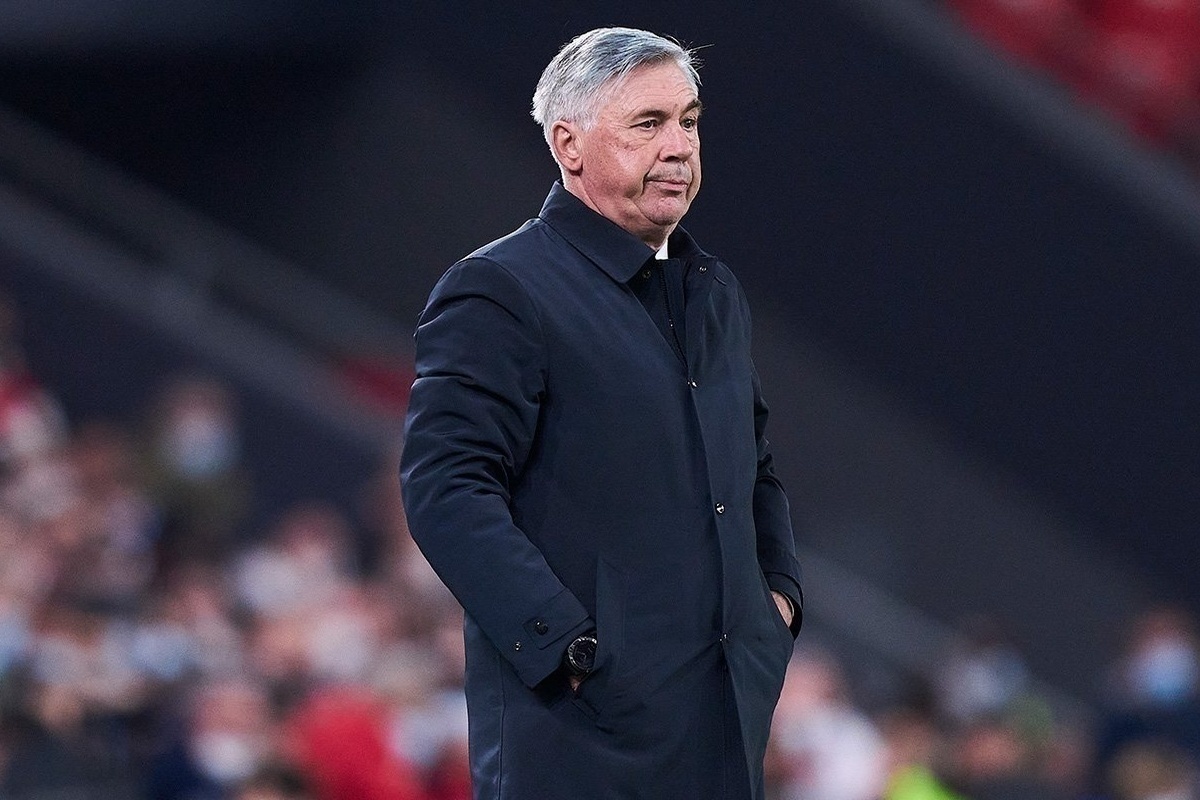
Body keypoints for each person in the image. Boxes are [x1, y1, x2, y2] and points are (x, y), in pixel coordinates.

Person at [400, 26, 804, 800]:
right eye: (648, 124)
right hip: (579, 739)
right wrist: (566, 649)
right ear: (569, 144)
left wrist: (775, 602)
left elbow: (754, 465)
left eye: (688, 121)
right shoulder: (501, 288)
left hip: (722, 726)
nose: (679, 147)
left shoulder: (713, 292)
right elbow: (446, 487)